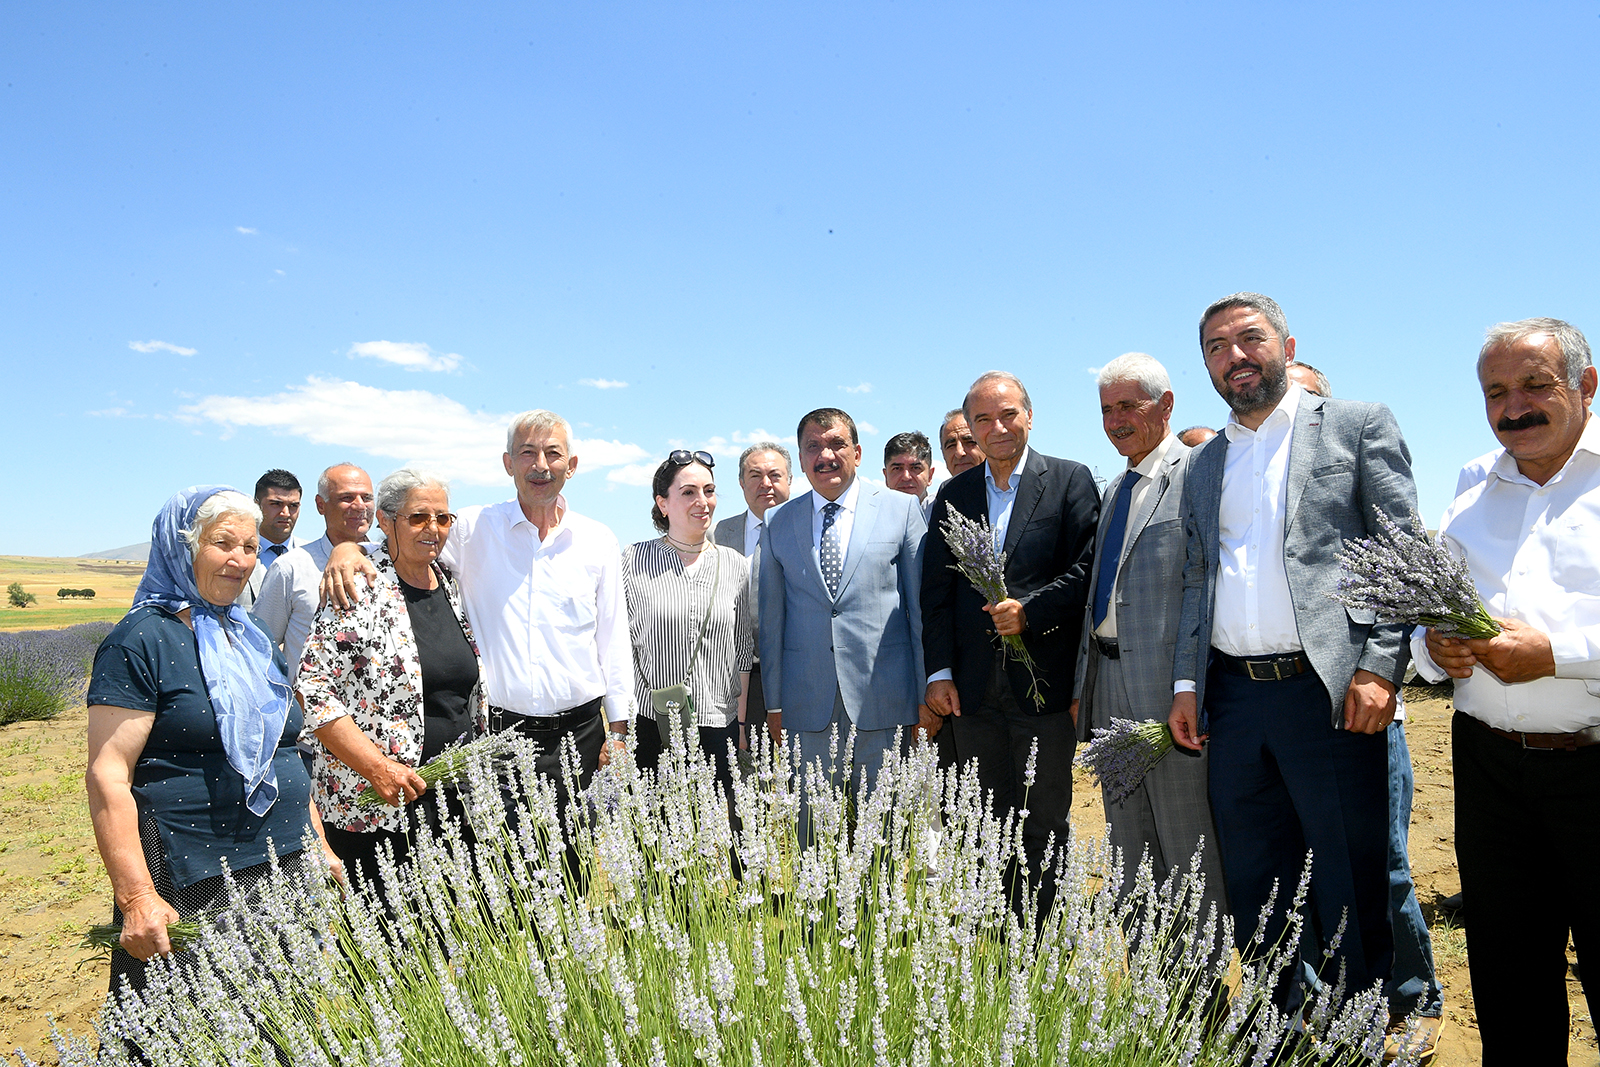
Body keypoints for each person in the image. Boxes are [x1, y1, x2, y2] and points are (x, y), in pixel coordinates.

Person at [1168, 292, 1417, 1011]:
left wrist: (1379, 666)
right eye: (1217, 346)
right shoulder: (1206, 461)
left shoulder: (1354, 424)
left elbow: (1402, 552)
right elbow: (1197, 576)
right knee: (1255, 879)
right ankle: (1290, 1020)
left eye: (1250, 339)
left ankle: (1361, 1027)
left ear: (1285, 342)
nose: (1235, 356)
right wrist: (1188, 683)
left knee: (1348, 873)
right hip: (1235, 698)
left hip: (1328, 693)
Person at [1412, 317, 1599, 1065]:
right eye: (1495, 391)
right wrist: (1436, 649)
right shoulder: (1470, 482)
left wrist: (1558, 653)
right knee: (1508, 971)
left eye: (1533, 385)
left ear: (1586, 384)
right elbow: (1433, 616)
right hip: (1489, 767)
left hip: (1594, 765)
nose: (1512, 406)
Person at [323, 410, 632, 817]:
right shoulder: (470, 528)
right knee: (503, 870)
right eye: (527, 453)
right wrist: (348, 548)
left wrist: (620, 731)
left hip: (583, 737)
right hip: (500, 743)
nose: (540, 465)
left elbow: (612, 638)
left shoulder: (597, 539)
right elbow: (404, 546)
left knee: (576, 867)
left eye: (553, 453)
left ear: (571, 466)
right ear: (508, 463)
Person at [85, 487, 323, 996]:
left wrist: (319, 844)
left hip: (285, 862)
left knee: (282, 1022)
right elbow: (108, 774)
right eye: (223, 543)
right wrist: (135, 898)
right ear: (182, 547)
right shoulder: (141, 639)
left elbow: (286, 749)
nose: (239, 560)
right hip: (195, 874)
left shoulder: (254, 634)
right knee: (191, 1023)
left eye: (251, 547)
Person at [1282, 357, 1446, 1053]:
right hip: (1290, 713)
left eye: (1305, 396)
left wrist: (1381, 667)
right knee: (1308, 863)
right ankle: (1326, 1001)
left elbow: (1407, 563)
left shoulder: (1357, 452)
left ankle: (1412, 998)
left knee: (1382, 864)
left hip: (1367, 712)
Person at [923, 371, 1098, 915]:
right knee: (980, 818)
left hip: (1043, 688)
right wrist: (940, 673)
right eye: (982, 419)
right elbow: (937, 594)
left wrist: (1030, 613)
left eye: (1007, 415)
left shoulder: (1070, 480)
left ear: (1028, 415)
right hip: (973, 695)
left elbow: (1089, 570)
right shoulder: (955, 493)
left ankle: (1044, 940)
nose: (995, 428)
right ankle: (993, 936)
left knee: (1045, 816)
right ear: (971, 426)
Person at [1072, 354, 1225, 924]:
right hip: (1108, 685)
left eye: (1128, 406)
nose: (1115, 421)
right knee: (1127, 838)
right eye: (1107, 409)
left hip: (1169, 692)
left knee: (1186, 839)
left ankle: (1198, 983)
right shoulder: (1116, 489)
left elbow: (1201, 586)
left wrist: (1187, 684)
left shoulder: (1198, 475)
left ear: (1165, 406)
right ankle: (1148, 977)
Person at [295, 468, 487, 899]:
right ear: (385, 521)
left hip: (450, 801)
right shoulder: (358, 583)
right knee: (382, 946)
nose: (433, 529)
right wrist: (377, 769)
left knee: (446, 942)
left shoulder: (451, 584)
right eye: (418, 517)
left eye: (442, 518)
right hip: (374, 803)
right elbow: (313, 688)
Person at [760, 407, 926, 834]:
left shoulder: (902, 510)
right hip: (805, 706)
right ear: (800, 458)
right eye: (813, 446)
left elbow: (919, 613)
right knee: (813, 841)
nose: (825, 455)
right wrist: (774, 704)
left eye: (835, 444)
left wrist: (924, 694)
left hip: (885, 702)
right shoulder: (778, 521)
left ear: (857, 451)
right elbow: (773, 621)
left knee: (884, 843)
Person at [624, 451, 753, 792]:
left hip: (718, 727)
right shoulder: (631, 561)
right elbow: (616, 649)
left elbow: (742, 653)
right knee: (655, 839)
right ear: (663, 504)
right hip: (653, 727)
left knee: (715, 840)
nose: (703, 501)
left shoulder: (735, 565)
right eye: (688, 492)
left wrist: (739, 725)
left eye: (709, 491)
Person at [253, 463, 375, 669]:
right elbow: (259, 647)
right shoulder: (290, 568)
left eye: (367, 497)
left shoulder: (392, 564)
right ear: (321, 505)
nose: (359, 506)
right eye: (347, 498)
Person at [712, 442, 792, 749]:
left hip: (791, 677)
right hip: (731, 679)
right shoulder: (716, 534)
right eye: (755, 475)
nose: (765, 483)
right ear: (741, 482)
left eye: (775, 474)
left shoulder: (809, 529)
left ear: (789, 480)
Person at [237, 469, 302, 610]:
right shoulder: (234, 554)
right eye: (276, 504)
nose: (285, 513)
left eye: (293, 506)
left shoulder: (314, 556)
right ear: (256, 505)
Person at [883, 431, 937, 520]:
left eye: (915, 468)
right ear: (886, 476)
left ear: (930, 476)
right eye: (897, 469)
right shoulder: (870, 519)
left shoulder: (945, 515)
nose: (906, 477)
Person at [938, 408, 985, 478]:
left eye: (970, 442)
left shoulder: (1003, 487)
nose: (959, 453)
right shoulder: (946, 488)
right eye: (951, 446)